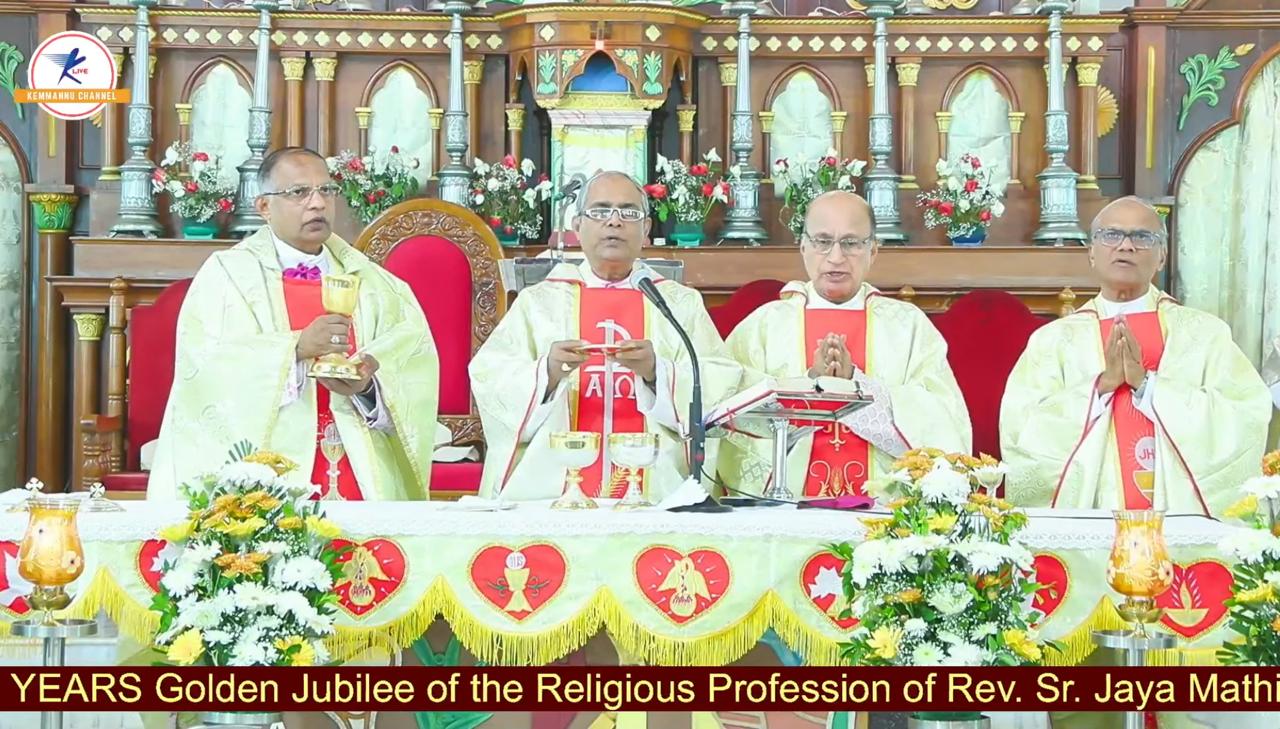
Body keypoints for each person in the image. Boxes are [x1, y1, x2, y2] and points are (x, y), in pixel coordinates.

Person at [148, 147, 439, 500]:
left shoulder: (377, 284)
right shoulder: (227, 278)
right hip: (266, 481)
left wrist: (368, 385)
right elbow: (205, 370)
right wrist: (296, 349)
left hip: (359, 472)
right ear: (264, 207)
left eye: (326, 191)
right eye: (299, 193)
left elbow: (414, 361)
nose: (317, 203)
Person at [469, 171, 742, 501]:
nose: (614, 222)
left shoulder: (678, 304)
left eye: (628, 212)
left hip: (657, 488)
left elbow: (718, 383)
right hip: (551, 492)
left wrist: (658, 374)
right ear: (577, 226)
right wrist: (548, 373)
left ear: (646, 229)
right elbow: (490, 378)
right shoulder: (540, 302)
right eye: (600, 211)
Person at [1000, 196, 1270, 517]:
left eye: (1142, 237)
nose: (1126, 246)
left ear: (1162, 257)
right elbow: (1022, 430)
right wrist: (1101, 387)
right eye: (1111, 235)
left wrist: (1147, 386)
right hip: (1090, 516)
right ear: (1091, 252)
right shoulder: (1055, 341)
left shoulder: (1204, 334)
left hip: (1176, 524)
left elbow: (1243, 418)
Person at [718, 191, 971, 498]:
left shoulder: (908, 326)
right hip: (786, 507)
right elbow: (726, 415)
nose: (836, 257)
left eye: (851, 243)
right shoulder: (765, 325)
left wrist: (856, 386)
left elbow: (942, 418)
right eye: (823, 241)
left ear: (873, 250)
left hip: (886, 514)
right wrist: (810, 386)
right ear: (803, 247)